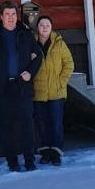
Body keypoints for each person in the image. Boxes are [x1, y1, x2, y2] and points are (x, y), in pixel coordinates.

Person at [0, 0, 42, 172]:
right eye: (7, 15)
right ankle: (12, 162)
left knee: (27, 124)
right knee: (6, 126)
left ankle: (29, 161)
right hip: (3, 88)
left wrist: (30, 72)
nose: (11, 18)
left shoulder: (25, 34)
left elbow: (38, 56)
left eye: (13, 14)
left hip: (22, 87)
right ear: (1, 16)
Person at [33, 15, 74, 166]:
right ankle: (45, 153)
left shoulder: (59, 44)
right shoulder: (32, 43)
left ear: (51, 28)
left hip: (56, 92)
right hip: (38, 92)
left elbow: (69, 64)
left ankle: (56, 153)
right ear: (38, 28)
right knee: (42, 124)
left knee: (56, 123)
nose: (44, 27)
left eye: (47, 25)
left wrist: (60, 82)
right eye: (42, 25)